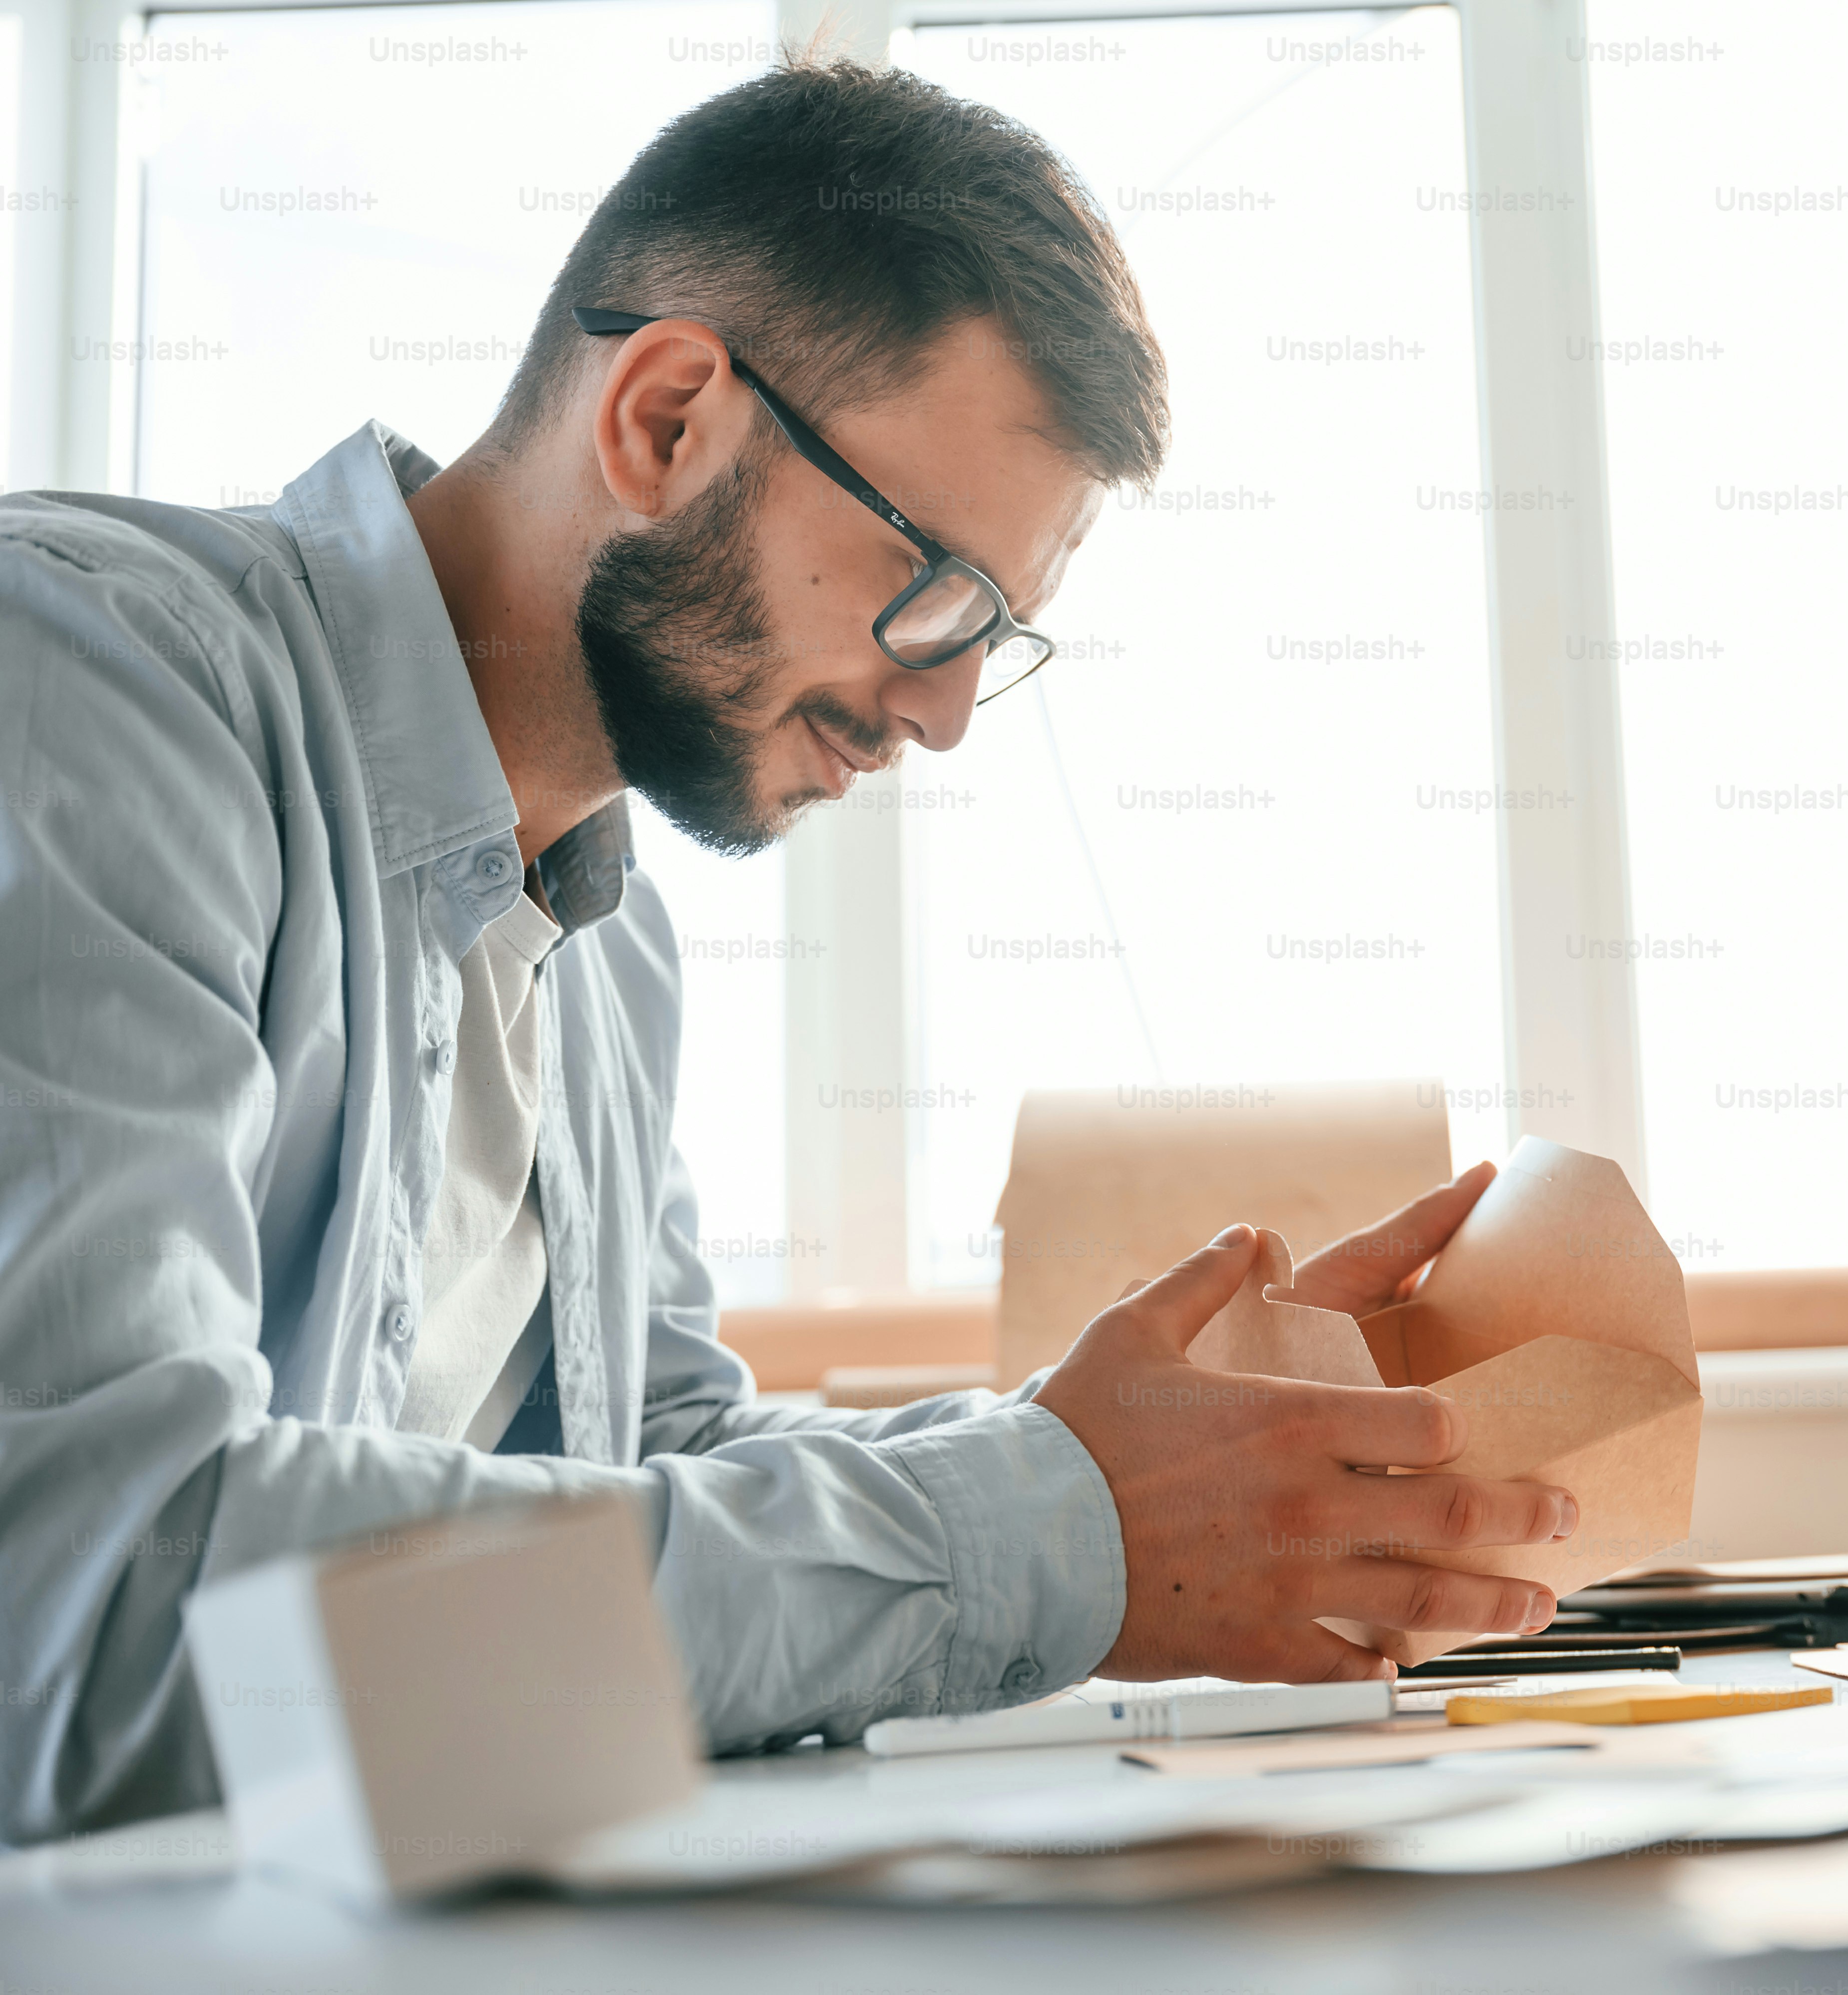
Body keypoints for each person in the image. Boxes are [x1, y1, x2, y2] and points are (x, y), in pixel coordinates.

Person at [0, 59, 1573, 1847]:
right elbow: (83, 1618)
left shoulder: (607, 944)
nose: (953, 713)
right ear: (668, 417)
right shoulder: (83, 687)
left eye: (1005, 641)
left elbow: (658, 1488)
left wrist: (1175, 1459)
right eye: (937, 594)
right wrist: (1053, 1520)